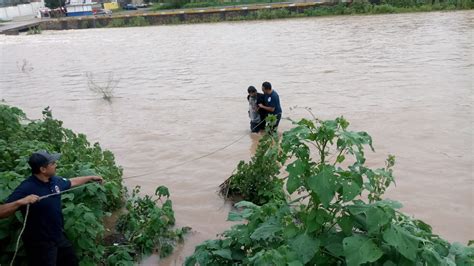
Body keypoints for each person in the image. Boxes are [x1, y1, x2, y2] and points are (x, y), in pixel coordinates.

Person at [1, 150, 104, 266]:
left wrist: (90, 177)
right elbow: (2, 212)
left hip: (57, 236)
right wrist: (20, 202)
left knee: (71, 261)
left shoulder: (54, 181)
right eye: (52, 163)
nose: (56, 165)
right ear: (43, 169)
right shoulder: (27, 187)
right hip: (40, 244)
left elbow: (72, 182)